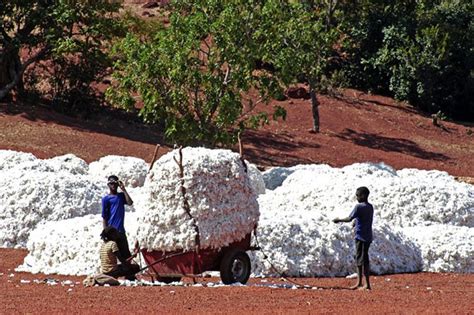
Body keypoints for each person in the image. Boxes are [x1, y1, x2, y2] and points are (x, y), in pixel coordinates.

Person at [333, 186, 374, 290]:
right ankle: (365, 283)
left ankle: (362, 283)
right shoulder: (370, 207)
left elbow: (349, 218)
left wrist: (339, 220)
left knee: (360, 260)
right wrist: (356, 222)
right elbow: (364, 218)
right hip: (368, 236)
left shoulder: (358, 207)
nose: (357, 197)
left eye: (358, 195)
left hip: (361, 236)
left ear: (363, 195)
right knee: (364, 259)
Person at [102, 175, 134, 259]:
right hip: (111, 232)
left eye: (115, 184)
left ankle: (127, 271)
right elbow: (104, 217)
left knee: (126, 255)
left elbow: (130, 202)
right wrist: (105, 232)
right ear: (108, 185)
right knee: (114, 255)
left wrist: (124, 189)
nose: (113, 185)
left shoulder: (121, 196)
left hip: (121, 231)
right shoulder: (106, 199)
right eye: (111, 183)